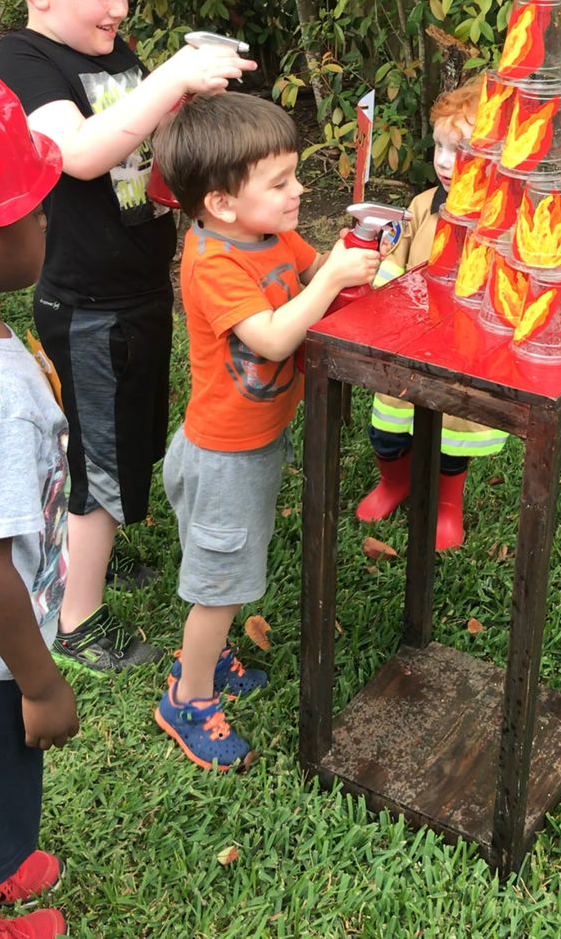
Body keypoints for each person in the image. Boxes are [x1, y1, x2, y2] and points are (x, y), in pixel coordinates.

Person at [0, 0, 251, 673]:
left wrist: (191, 103)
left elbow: (144, 142)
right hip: (85, 297)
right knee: (98, 461)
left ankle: (87, 560)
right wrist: (174, 74)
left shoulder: (115, 54)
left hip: (139, 284)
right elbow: (80, 153)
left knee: (126, 440)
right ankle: (77, 620)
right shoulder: (24, 59)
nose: (118, 8)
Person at [150, 91, 380, 771]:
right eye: (279, 182)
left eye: (294, 176)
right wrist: (331, 276)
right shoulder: (214, 261)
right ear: (221, 202)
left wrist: (353, 264)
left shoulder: (268, 234)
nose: (298, 190)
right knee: (218, 587)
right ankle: (187, 698)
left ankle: (211, 660)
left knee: (222, 574)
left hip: (246, 443)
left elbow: (313, 278)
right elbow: (276, 338)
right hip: (222, 454)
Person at [355, 78, 508, 549]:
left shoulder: (499, 219)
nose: (444, 161)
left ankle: (447, 505)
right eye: (440, 145)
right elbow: (395, 259)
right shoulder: (423, 205)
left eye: (460, 151)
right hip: (407, 344)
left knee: (450, 440)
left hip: (462, 349)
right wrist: (380, 279)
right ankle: (394, 482)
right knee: (388, 426)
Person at [0, 82, 79, 939]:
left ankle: (6, 854)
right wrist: (41, 680)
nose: (46, 223)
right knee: (9, 748)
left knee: (9, 771)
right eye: (32, 209)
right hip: (3, 653)